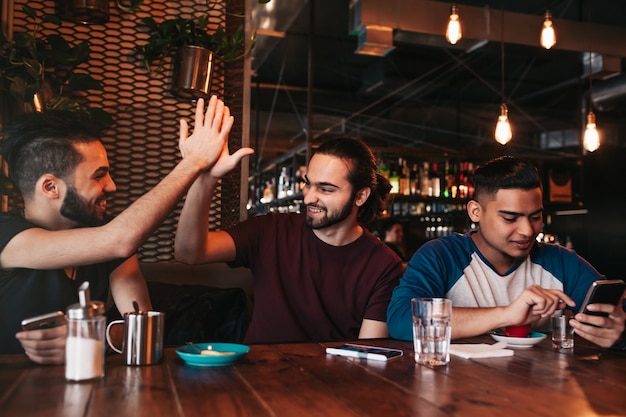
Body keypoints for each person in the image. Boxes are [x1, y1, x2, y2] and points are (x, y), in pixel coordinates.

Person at [0, 95, 241, 363]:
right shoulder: (6, 235)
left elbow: (143, 327)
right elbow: (120, 239)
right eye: (99, 175)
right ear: (50, 187)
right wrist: (193, 163)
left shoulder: (104, 233)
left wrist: (94, 338)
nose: (112, 186)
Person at [175, 135, 404, 344]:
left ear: (360, 196)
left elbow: (367, 355)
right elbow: (189, 253)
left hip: (333, 384)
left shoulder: (384, 266)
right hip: (257, 378)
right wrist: (205, 179)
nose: (309, 198)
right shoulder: (271, 230)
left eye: (325, 189)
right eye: (308, 183)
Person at [387, 156, 626, 349]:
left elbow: (616, 309)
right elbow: (401, 320)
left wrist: (620, 332)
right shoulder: (441, 256)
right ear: (475, 212)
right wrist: (507, 314)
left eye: (536, 217)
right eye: (510, 218)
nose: (527, 230)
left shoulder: (561, 261)